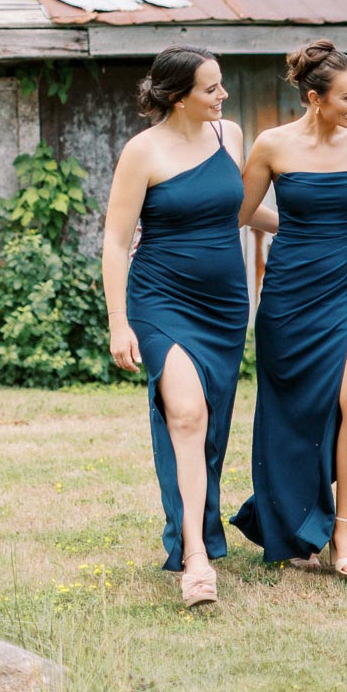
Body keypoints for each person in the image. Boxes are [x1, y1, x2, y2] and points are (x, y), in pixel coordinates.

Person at [103, 45, 265, 606]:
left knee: (211, 426)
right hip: (160, 300)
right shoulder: (141, 151)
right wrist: (118, 322)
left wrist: (318, 222)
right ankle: (195, 555)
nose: (223, 95)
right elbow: (116, 241)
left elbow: (240, 211)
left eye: (221, 85)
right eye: (211, 88)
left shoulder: (231, 136)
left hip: (223, 304)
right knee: (187, 414)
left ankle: (194, 528)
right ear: (178, 96)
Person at [229, 40, 347, 578]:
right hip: (290, 294)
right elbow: (244, 213)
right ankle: (293, 522)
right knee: (293, 415)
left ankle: (342, 530)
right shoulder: (271, 145)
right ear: (315, 98)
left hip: (346, 285)